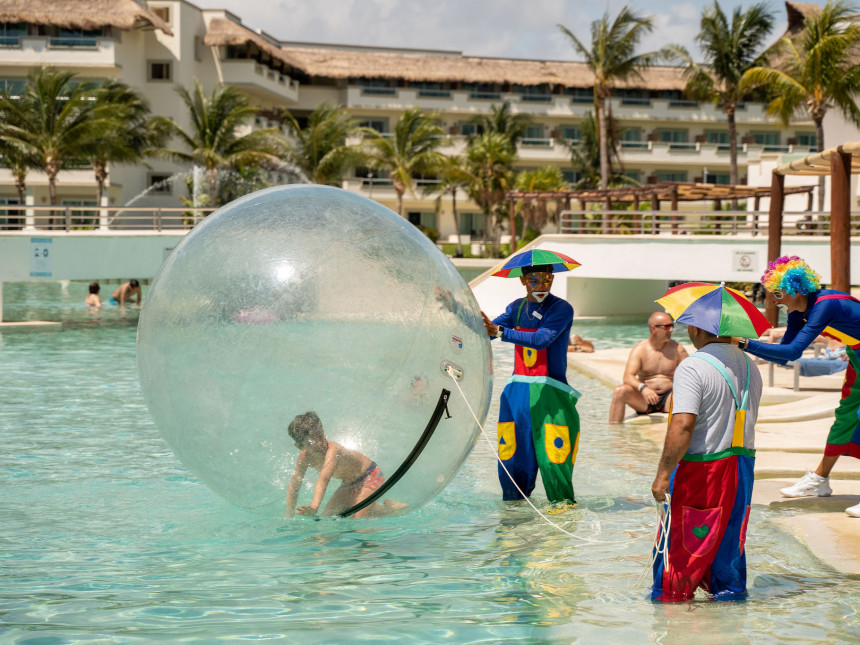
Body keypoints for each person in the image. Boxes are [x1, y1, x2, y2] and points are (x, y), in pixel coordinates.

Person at [733, 256, 860, 518]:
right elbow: (787, 356)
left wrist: (744, 343)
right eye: (772, 294)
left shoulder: (825, 305)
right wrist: (742, 344)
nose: (775, 300)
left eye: (779, 293)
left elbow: (792, 349)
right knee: (845, 418)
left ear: (796, 289)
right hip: (858, 356)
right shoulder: (797, 312)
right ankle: (820, 479)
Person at [651, 323, 763, 601]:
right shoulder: (750, 367)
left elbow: (683, 425)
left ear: (697, 328)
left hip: (702, 468)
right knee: (729, 547)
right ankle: (729, 619)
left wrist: (663, 474)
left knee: (679, 552)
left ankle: (671, 619)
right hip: (741, 468)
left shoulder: (693, 366)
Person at [480, 263, 580, 504]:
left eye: (547, 279)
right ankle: (515, 517)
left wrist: (501, 332)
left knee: (554, 459)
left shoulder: (561, 308)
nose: (541, 286)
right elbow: (489, 330)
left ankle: (563, 517)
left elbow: (541, 339)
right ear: (523, 281)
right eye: (534, 280)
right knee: (512, 458)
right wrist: (455, 310)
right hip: (517, 394)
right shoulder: (517, 307)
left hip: (550, 395)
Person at [284, 411, 401, 519]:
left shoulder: (333, 450)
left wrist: (314, 507)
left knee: (359, 518)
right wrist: (289, 515)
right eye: (312, 442)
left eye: (320, 436)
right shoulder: (304, 459)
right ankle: (381, 507)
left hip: (370, 475)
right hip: (349, 483)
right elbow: (294, 486)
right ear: (301, 447)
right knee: (328, 517)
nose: (320, 443)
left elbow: (323, 479)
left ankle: (390, 509)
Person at [608, 312, 688, 423]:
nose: (671, 330)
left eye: (672, 326)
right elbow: (627, 377)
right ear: (653, 328)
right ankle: (614, 433)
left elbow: (691, 373)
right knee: (620, 391)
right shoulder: (640, 349)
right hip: (644, 400)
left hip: (669, 398)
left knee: (686, 392)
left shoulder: (677, 348)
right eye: (667, 327)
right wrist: (643, 388)